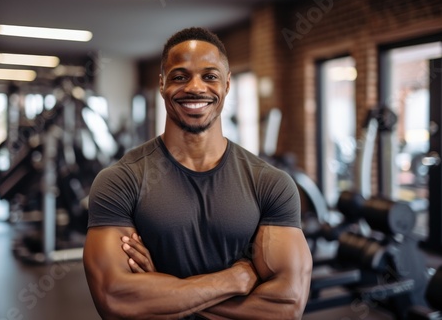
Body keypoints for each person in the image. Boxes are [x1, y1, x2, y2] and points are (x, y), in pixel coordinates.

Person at [83, 27, 313, 319]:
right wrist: (235, 280)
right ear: (162, 83)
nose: (195, 87)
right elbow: (115, 300)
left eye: (210, 76)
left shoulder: (270, 183)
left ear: (227, 84)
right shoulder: (120, 181)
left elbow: (286, 305)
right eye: (180, 76)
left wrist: (163, 288)